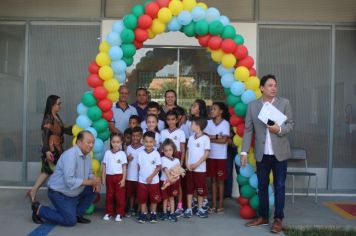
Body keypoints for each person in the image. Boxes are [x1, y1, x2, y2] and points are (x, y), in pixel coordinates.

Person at [241, 74, 294, 234]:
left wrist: (279, 129)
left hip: (280, 154)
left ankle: (278, 219)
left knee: (279, 186)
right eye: (270, 85)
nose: (273, 88)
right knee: (262, 187)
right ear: (262, 88)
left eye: (275, 85)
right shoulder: (253, 106)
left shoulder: (284, 103)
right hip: (262, 154)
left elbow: (290, 124)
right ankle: (263, 217)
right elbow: (248, 130)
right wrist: (244, 151)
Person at [31, 131, 100, 226]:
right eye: (88, 142)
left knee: (93, 189)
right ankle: (39, 209)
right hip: (59, 193)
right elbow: (69, 180)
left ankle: (77, 214)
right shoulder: (70, 155)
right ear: (79, 142)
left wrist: (94, 180)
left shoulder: (87, 154)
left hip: (72, 191)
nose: (91, 145)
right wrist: (90, 182)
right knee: (70, 221)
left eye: (93, 142)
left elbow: (88, 173)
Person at [27, 95, 72, 203]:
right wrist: (47, 151)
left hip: (57, 148)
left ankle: (33, 191)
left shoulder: (56, 116)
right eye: (58, 103)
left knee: (48, 171)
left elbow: (64, 129)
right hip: (52, 149)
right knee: (51, 171)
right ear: (52, 105)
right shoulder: (49, 118)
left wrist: (77, 128)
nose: (60, 105)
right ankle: (58, 194)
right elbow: (45, 135)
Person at [159, 110, 186, 215]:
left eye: (173, 119)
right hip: (165, 159)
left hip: (177, 158)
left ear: (177, 120)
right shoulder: (163, 132)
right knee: (166, 182)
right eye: (169, 119)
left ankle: (179, 205)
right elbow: (161, 148)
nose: (171, 122)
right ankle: (167, 207)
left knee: (177, 183)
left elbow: (183, 149)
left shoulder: (181, 132)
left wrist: (181, 163)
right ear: (166, 120)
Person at [205, 102, 230, 214]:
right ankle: (213, 205)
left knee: (220, 181)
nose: (212, 111)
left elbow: (224, 140)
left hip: (221, 157)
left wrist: (210, 138)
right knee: (213, 180)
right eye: (211, 109)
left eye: (214, 109)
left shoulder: (225, 124)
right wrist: (216, 136)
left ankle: (221, 205)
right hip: (210, 156)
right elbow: (204, 136)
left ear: (221, 111)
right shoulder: (208, 123)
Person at [184, 117, 210, 219]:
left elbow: (206, 154)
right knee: (189, 189)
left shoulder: (205, 138)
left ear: (198, 126)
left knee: (200, 190)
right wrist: (186, 162)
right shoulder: (191, 138)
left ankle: (200, 208)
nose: (190, 126)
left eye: (192, 124)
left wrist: (196, 164)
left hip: (200, 169)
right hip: (190, 168)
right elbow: (187, 151)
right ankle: (189, 208)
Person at [137, 131, 162, 224]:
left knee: (154, 199)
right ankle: (143, 213)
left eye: (150, 142)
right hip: (142, 181)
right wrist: (141, 176)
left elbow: (158, 167)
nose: (148, 144)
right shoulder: (140, 153)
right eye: (146, 141)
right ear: (143, 141)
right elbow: (139, 166)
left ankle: (153, 213)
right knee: (142, 199)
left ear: (154, 142)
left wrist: (151, 177)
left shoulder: (156, 154)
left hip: (154, 181)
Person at [102, 133, 127, 222]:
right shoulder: (107, 153)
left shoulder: (122, 154)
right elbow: (104, 165)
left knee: (120, 196)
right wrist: (103, 177)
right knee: (109, 195)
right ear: (111, 142)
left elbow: (124, 167)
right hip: (109, 177)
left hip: (119, 177)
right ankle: (109, 212)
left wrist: (123, 179)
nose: (115, 144)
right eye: (113, 142)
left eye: (118, 142)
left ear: (121, 142)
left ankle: (120, 213)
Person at [160, 139, 181, 222]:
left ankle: (172, 213)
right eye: (166, 150)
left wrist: (174, 179)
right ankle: (164, 213)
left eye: (170, 150)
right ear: (163, 151)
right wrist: (170, 179)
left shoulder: (177, 160)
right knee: (165, 198)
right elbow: (165, 169)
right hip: (164, 182)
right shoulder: (163, 159)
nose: (168, 152)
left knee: (172, 198)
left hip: (174, 182)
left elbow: (178, 172)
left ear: (173, 150)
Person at [126, 127, 145, 217]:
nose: (135, 138)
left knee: (140, 194)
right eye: (133, 136)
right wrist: (127, 159)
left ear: (141, 136)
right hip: (129, 176)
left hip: (140, 177)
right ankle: (131, 208)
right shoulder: (128, 148)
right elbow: (123, 162)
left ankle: (139, 210)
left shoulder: (144, 148)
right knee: (131, 194)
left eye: (138, 136)